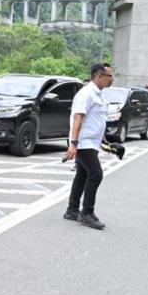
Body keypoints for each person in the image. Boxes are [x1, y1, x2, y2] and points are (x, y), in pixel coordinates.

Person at [62, 63, 114, 230]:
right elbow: (78, 118)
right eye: (109, 76)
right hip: (83, 143)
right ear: (99, 76)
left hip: (92, 142)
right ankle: (87, 213)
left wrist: (105, 141)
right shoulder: (87, 93)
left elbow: (97, 120)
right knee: (96, 175)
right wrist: (74, 144)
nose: (112, 79)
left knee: (82, 175)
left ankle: (72, 210)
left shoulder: (99, 94)